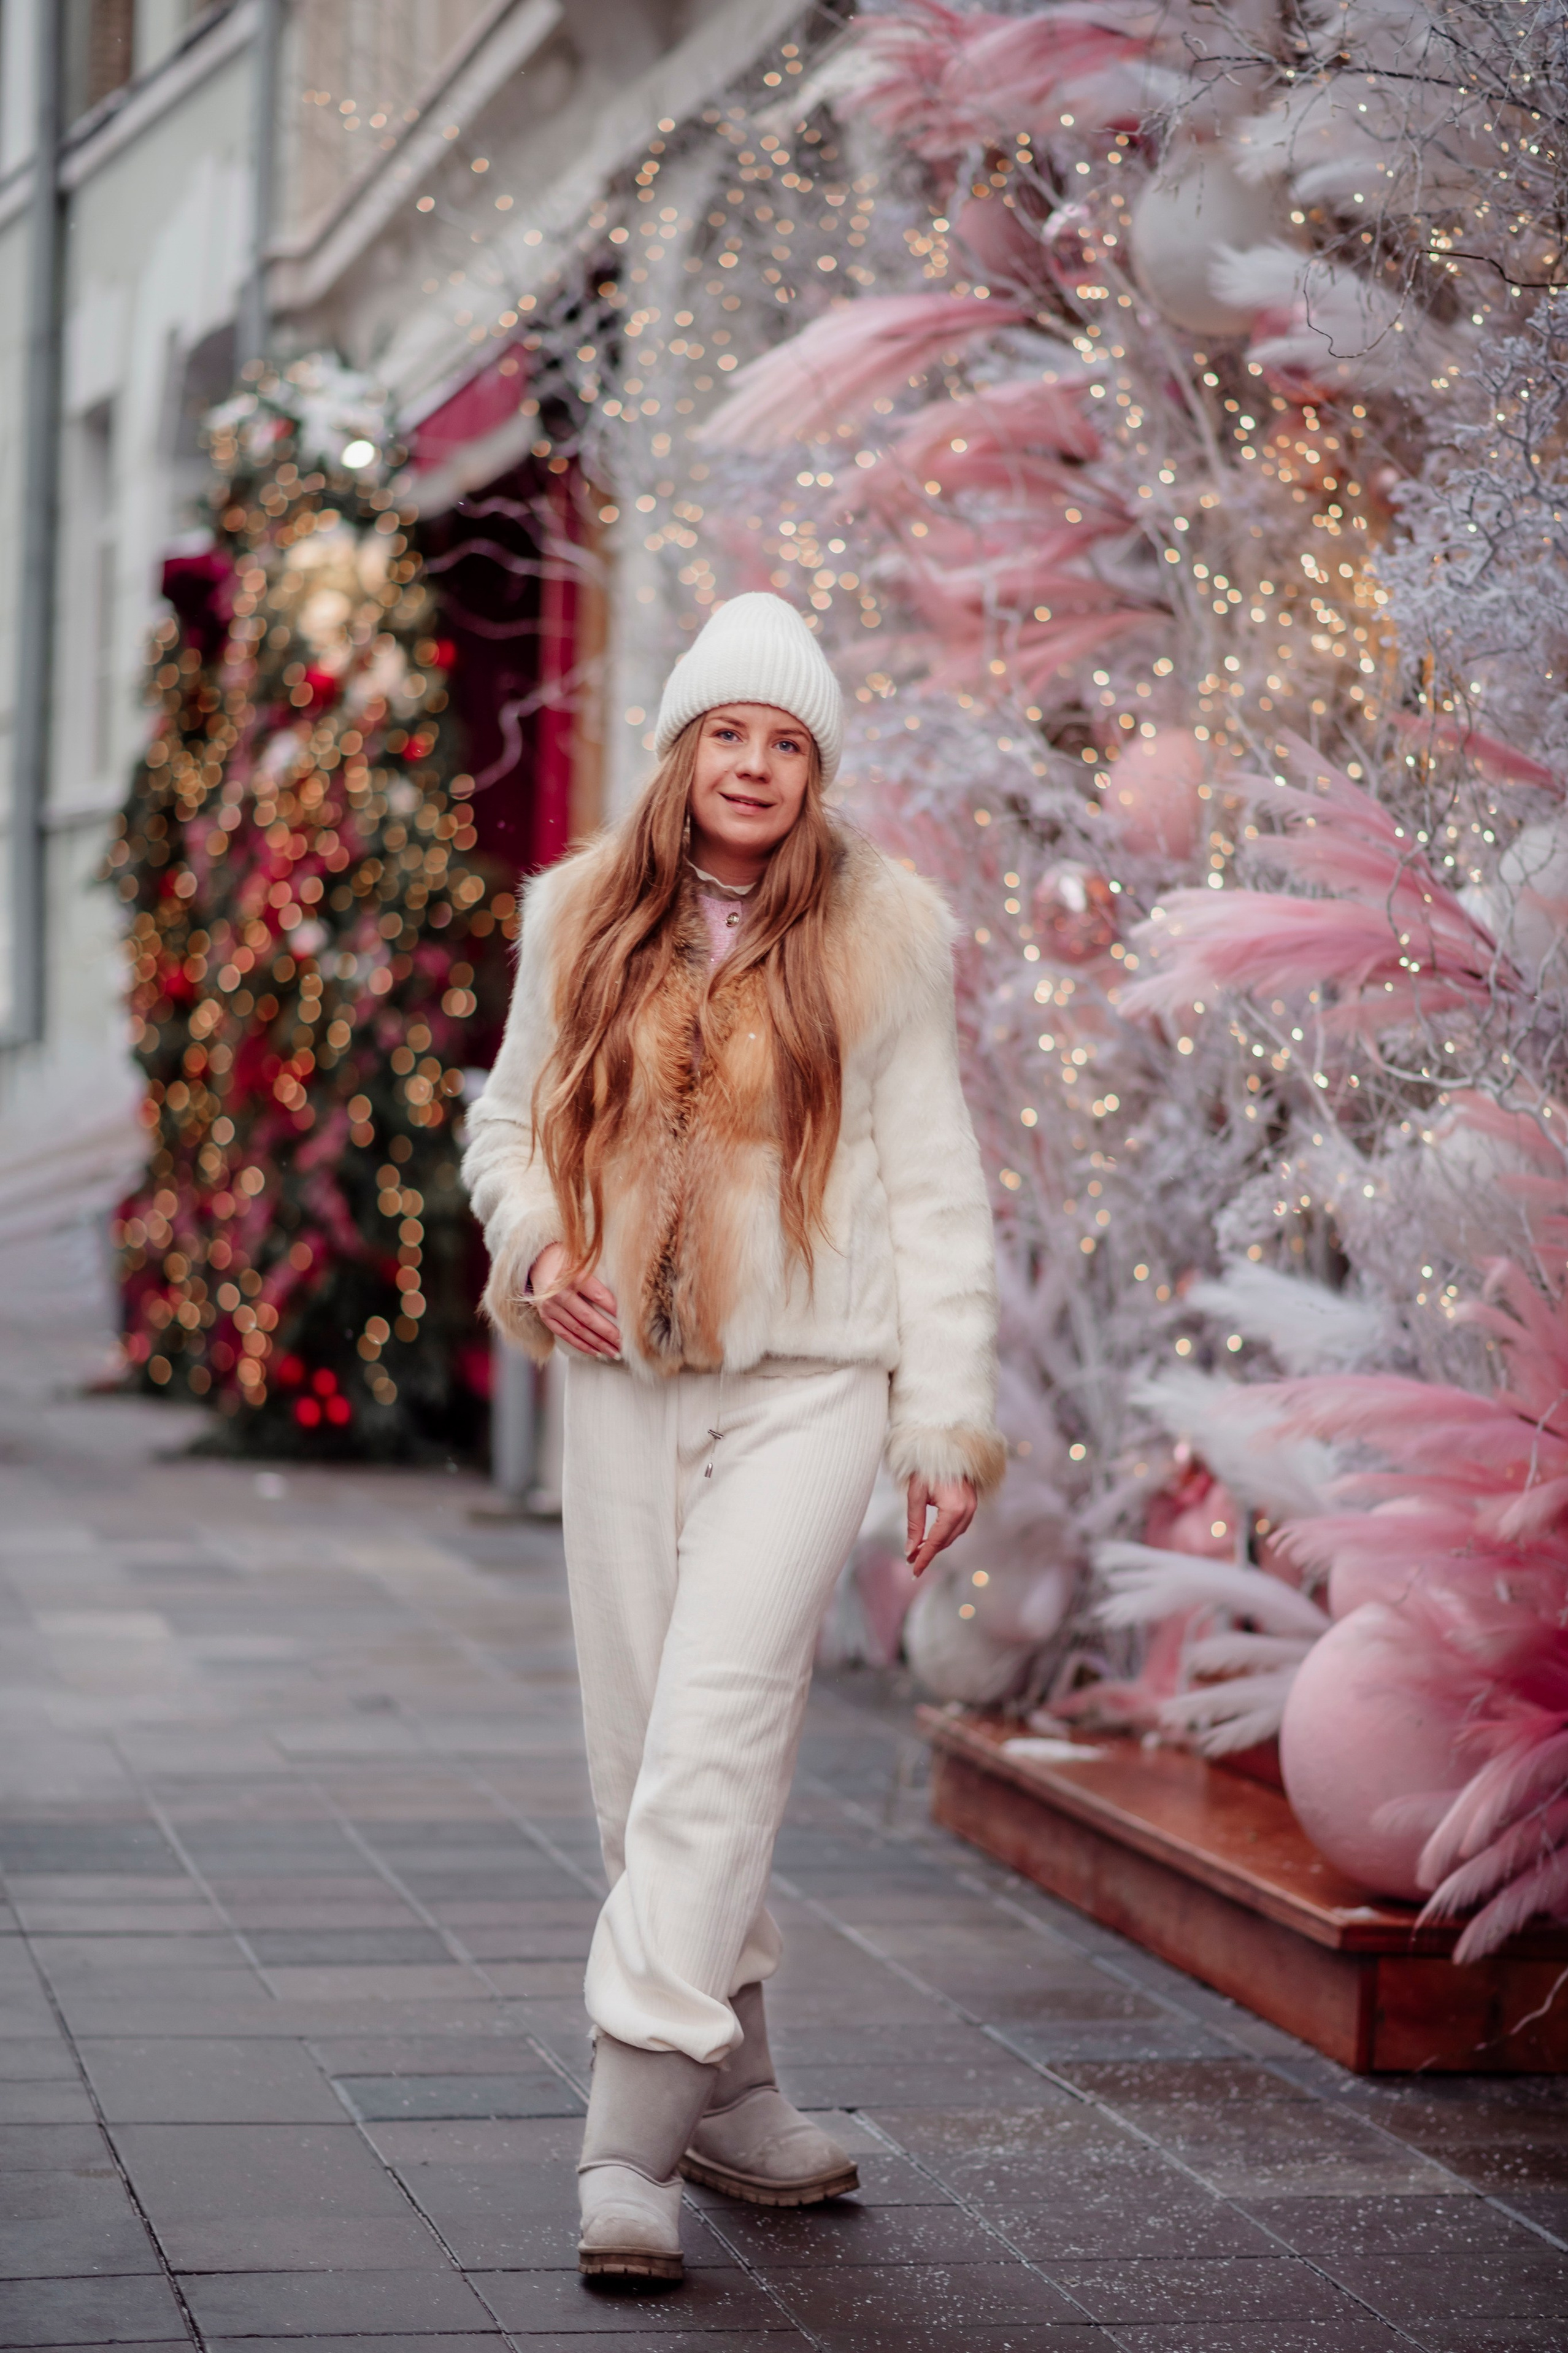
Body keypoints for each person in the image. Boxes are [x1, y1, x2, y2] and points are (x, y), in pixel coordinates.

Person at [463, 592, 1002, 2287]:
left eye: (787, 742)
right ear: (686, 745)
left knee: (714, 1730)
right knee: (648, 1767)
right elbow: (502, 1127)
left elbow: (937, 1191)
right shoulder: (579, 919)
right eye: (730, 732)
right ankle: (738, 2084)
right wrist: (543, 1249)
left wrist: (944, 1422)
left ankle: (625, 2141)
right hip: (623, 1378)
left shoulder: (882, 934)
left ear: (814, 769)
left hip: (813, 1380)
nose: (754, 764)